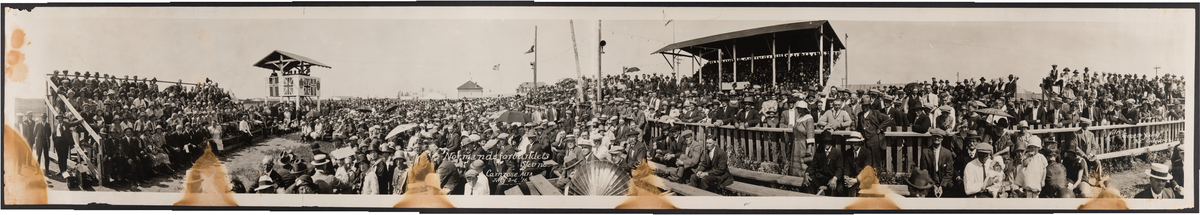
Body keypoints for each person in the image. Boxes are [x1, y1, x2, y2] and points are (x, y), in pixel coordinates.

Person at [921, 129, 955, 198]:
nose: (936, 138)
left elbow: (949, 172)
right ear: (931, 138)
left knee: (952, 188)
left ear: (942, 138)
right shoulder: (925, 152)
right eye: (934, 136)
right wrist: (933, 185)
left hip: (944, 180)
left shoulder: (947, 153)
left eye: (939, 137)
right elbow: (924, 171)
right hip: (930, 179)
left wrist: (942, 186)